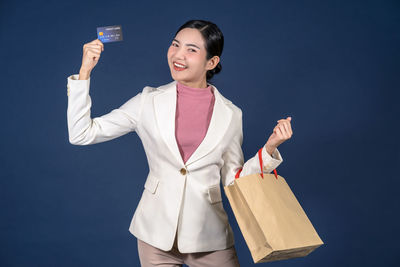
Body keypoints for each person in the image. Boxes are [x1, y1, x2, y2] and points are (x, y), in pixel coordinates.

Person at [66, 19, 293, 267]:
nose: (178, 55)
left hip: (209, 235)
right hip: (154, 234)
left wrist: (269, 150)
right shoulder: (147, 101)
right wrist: (84, 73)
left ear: (212, 62)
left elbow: (233, 181)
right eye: (175, 45)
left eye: (191, 50)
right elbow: (82, 133)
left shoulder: (231, 114)